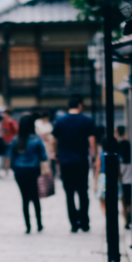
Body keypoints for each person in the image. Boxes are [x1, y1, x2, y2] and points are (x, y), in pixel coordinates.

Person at [53, 95, 97, 232]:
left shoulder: (60, 121)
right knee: (83, 192)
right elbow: (92, 141)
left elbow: (54, 140)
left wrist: (56, 154)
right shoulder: (87, 121)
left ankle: (74, 223)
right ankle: (84, 221)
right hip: (81, 161)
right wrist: (94, 156)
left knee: (69, 194)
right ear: (80, 105)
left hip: (66, 162)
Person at [10, 115, 48, 234]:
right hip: (33, 170)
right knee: (35, 197)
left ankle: (28, 226)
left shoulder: (16, 139)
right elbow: (43, 156)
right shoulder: (36, 139)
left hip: (20, 171)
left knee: (25, 198)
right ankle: (39, 224)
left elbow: (11, 157)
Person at [116, 126, 132, 229]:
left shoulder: (120, 162)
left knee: (124, 201)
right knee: (129, 201)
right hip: (130, 179)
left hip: (123, 180)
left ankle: (126, 220)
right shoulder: (131, 163)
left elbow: (119, 172)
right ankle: (129, 215)